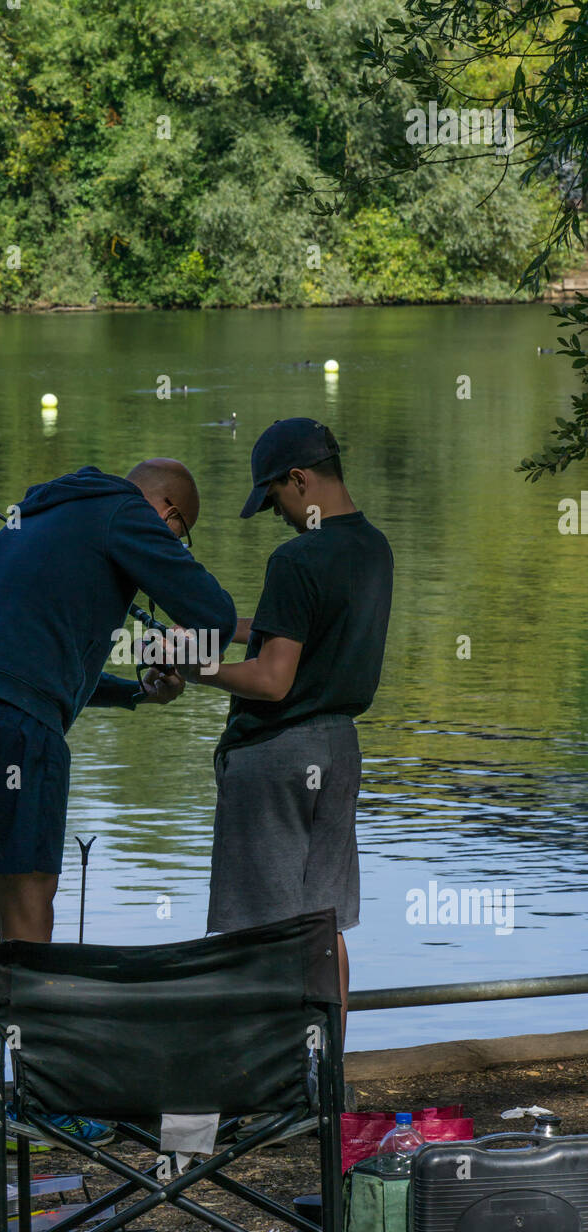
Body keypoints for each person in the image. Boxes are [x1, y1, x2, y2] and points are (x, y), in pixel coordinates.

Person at [0, 458, 237, 1147]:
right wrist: (177, 651)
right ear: (166, 512)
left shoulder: (42, 512)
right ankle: (36, 1102)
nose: (171, 546)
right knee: (26, 915)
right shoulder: (130, 515)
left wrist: (138, 690)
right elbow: (215, 615)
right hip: (15, 729)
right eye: (180, 534)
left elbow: (43, 662)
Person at [182, 418, 393, 1131]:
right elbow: (302, 631)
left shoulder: (296, 558)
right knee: (320, 925)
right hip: (337, 750)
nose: (271, 508)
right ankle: (321, 1084)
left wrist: (188, 666)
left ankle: (263, 1096)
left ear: (299, 479)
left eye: (272, 494)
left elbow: (272, 681)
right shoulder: (370, 547)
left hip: (274, 758)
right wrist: (220, 630)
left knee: (256, 932)